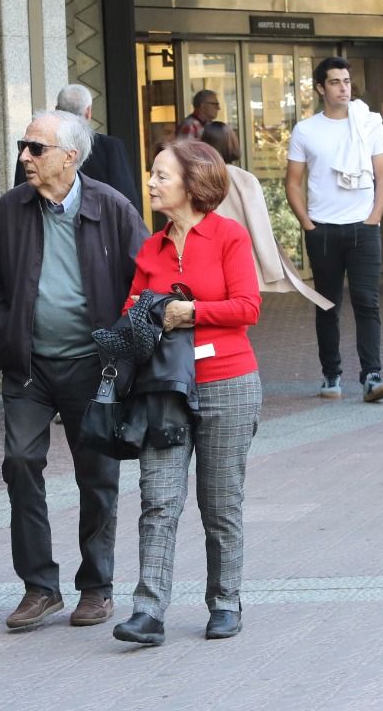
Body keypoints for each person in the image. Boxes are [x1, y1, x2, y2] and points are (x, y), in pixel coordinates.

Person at [0, 109, 146, 633]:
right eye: (23, 146)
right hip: (29, 367)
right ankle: (40, 587)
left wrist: (120, 345)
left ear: (69, 156)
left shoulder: (112, 208)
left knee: (97, 476)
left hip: (93, 369)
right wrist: (4, 328)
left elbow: (145, 283)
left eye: (35, 148)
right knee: (20, 463)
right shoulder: (11, 209)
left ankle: (96, 587)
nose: (24, 157)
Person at [113, 140, 263, 647]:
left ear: (193, 184)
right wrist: (134, 322)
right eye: (152, 174)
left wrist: (191, 312)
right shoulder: (151, 248)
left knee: (220, 502)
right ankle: (148, 611)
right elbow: (133, 312)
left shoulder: (229, 237)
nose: (151, 183)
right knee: (158, 499)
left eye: (161, 175)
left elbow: (247, 307)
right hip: (164, 390)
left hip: (228, 382)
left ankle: (225, 601)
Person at [286, 57, 383, 402]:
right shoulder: (305, 130)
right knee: (327, 305)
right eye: (335, 82)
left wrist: (374, 217)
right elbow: (292, 182)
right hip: (323, 230)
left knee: (367, 302)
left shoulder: (369, 124)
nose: (343, 87)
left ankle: (372, 376)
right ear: (320, 88)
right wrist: (308, 225)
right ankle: (331, 375)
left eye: (347, 81)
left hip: (363, 228)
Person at [203, 121, 332, 311]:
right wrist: (270, 266)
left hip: (204, 256)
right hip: (237, 257)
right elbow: (259, 225)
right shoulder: (243, 179)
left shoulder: (194, 178)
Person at [11, 84, 141, 213]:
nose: (25, 156)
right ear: (88, 112)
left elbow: (19, 201)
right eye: (36, 148)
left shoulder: (31, 147)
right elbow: (128, 202)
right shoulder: (109, 147)